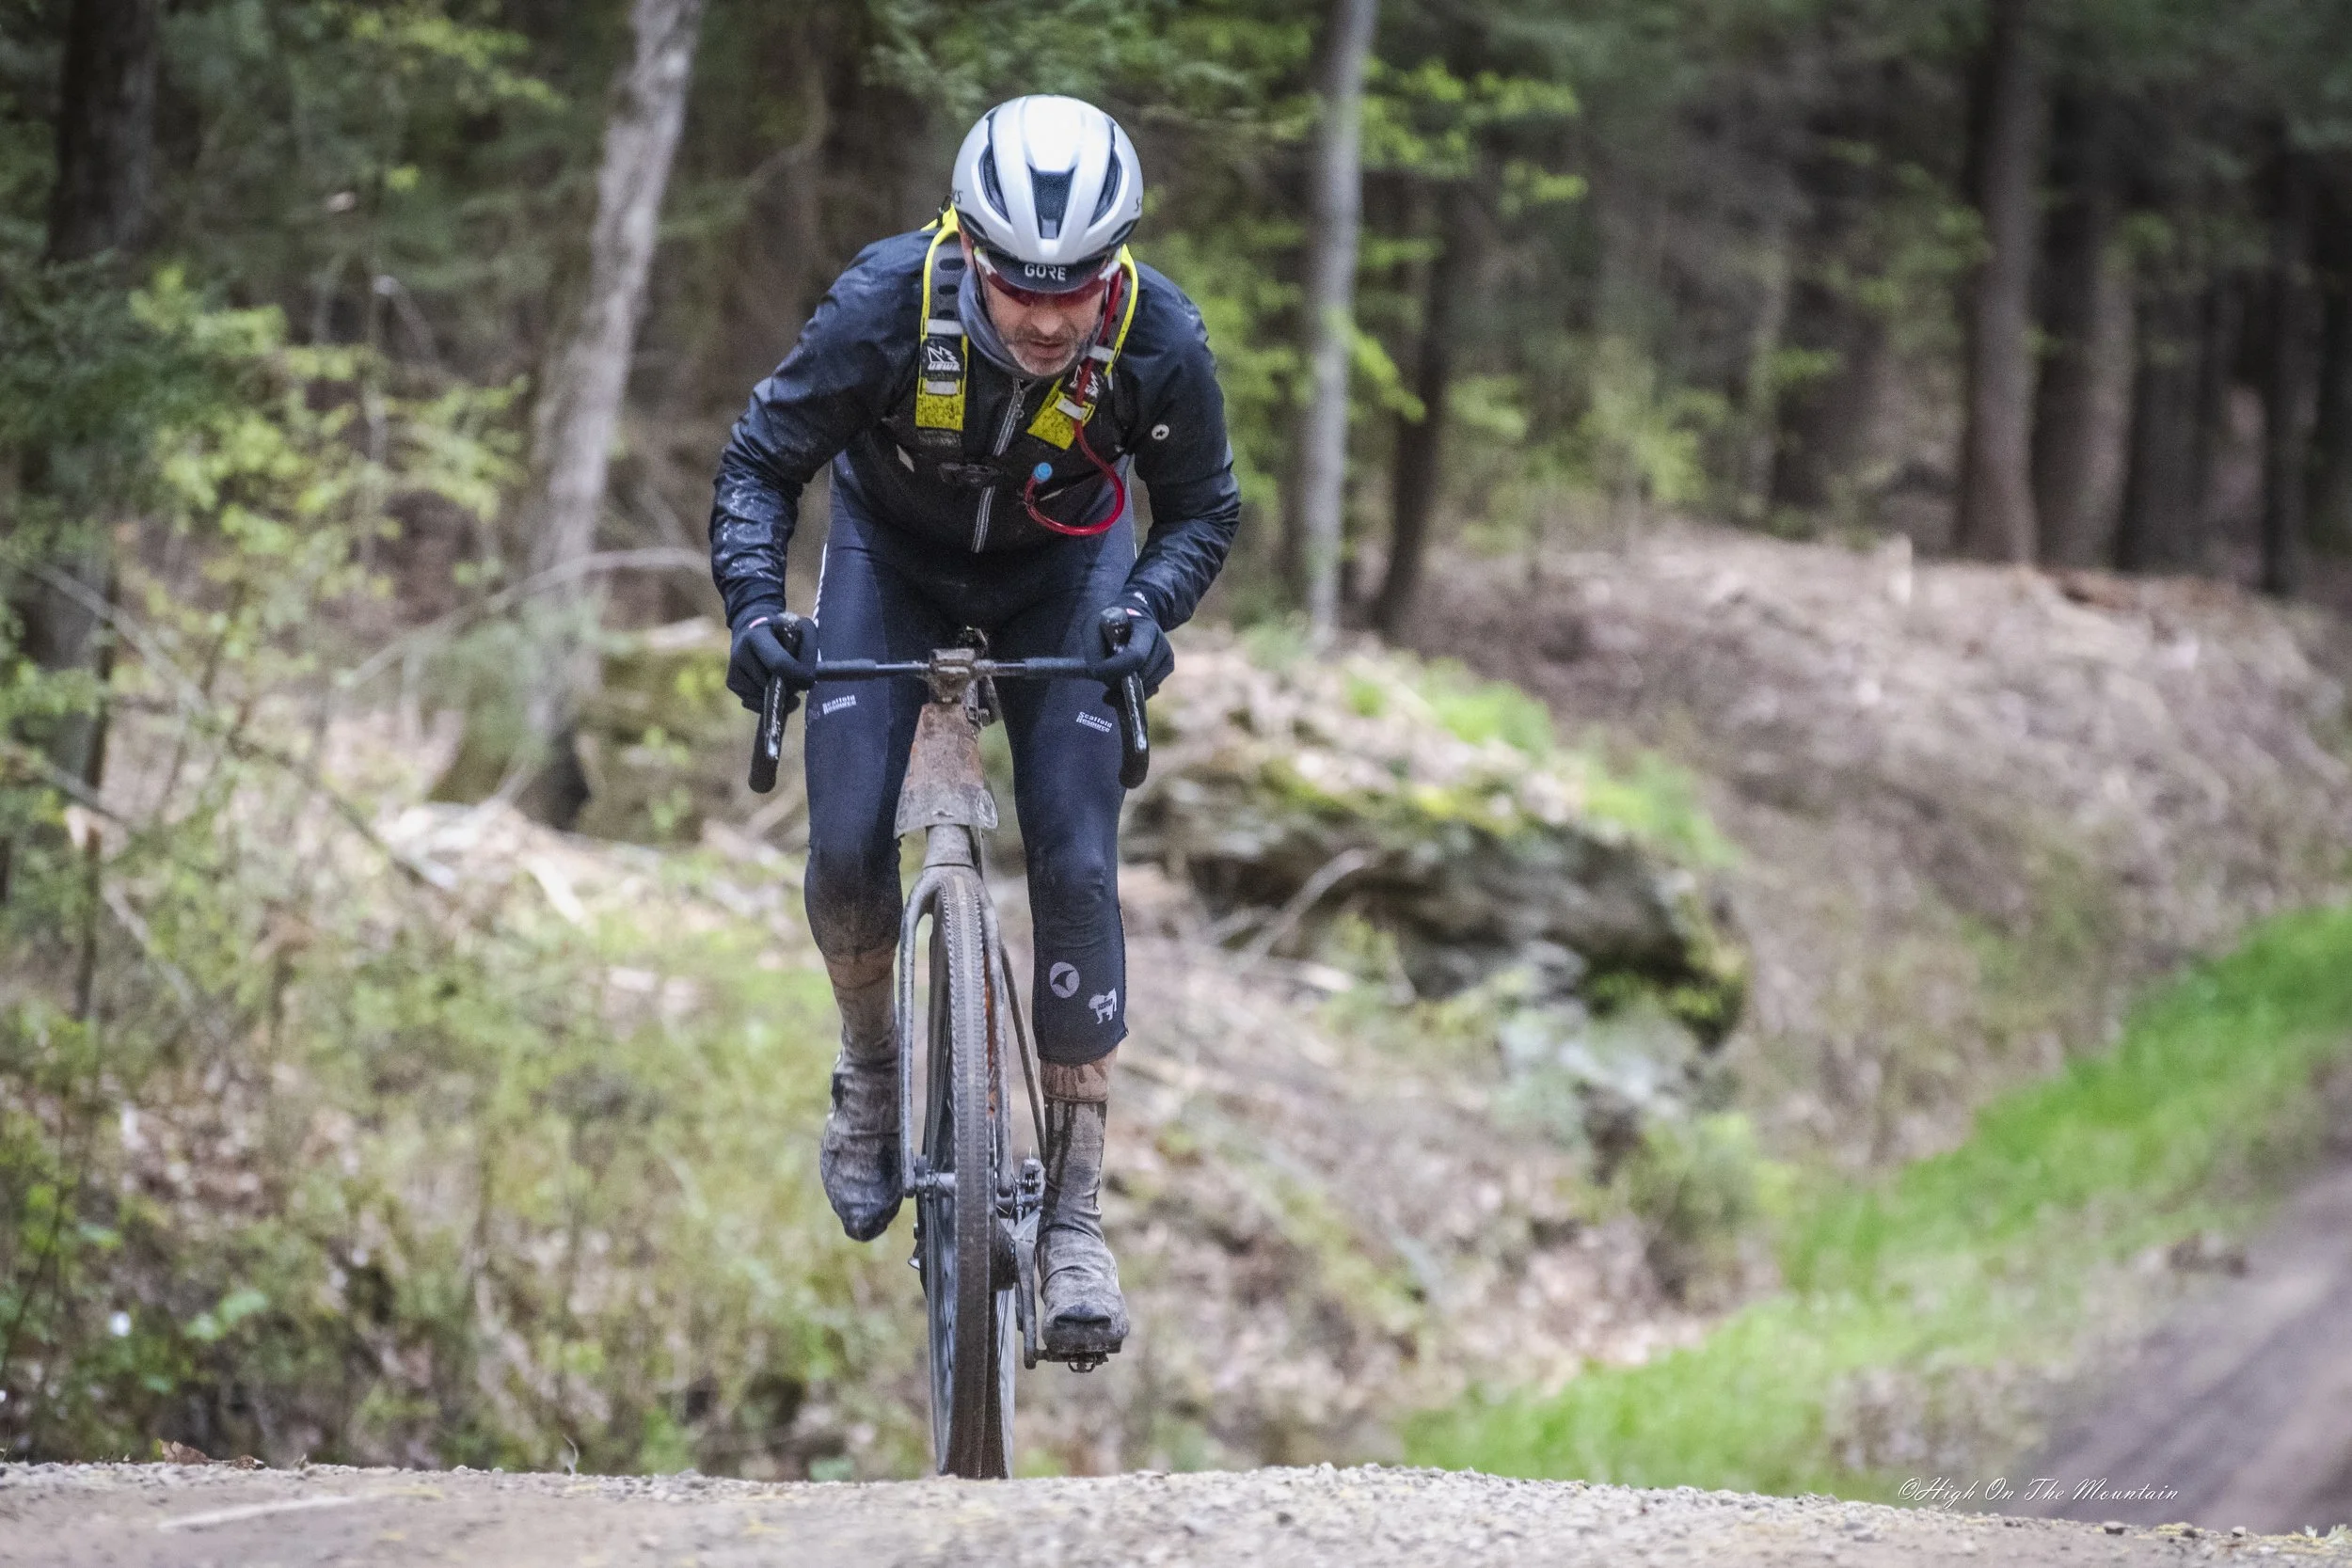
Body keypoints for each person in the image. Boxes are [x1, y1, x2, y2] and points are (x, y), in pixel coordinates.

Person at [707, 94, 1240, 1358]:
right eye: (1019, 289)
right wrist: (755, 608)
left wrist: (1150, 608)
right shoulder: (885, 303)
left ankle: (1075, 1216)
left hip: (1066, 574)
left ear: (1115, 268)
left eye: (1077, 289)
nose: (1049, 320)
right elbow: (761, 462)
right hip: (892, 558)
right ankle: (871, 1070)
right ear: (971, 252)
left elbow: (1203, 509)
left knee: (1077, 861)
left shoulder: (1158, 337)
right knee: (845, 844)